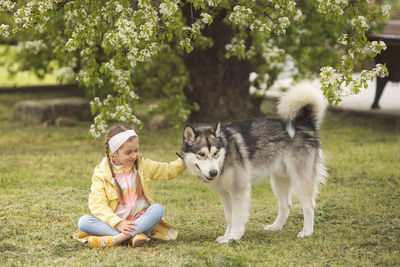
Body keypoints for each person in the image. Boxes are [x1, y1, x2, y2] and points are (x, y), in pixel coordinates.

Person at [73, 124, 186, 248]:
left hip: (142, 221)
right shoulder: (102, 173)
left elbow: (167, 170)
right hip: (116, 223)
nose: (134, 155)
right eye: (128, 152)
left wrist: (185, 159)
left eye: (136, 150)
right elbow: (97, 204)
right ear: (115, 152)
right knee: (84, 222)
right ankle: (135, 236)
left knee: (158, 209)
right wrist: (117, 222)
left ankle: (116, 239)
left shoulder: (142, 166)